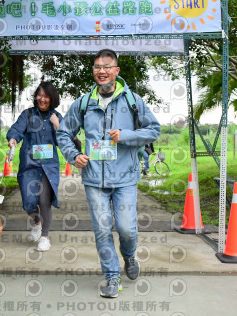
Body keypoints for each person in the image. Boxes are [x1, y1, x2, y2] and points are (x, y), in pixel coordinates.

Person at [57, 49, 161, 298]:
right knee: (103, 230)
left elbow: (153, 130)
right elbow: (63, 133)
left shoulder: (133, 101)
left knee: (126, 229)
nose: (101, 71)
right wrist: (73, 155)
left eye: (106, 66)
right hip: (94, 178)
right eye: (97, 67)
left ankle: (129, 255)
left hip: (125, 178)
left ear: (116, 70)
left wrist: (126, 136)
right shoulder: (84, 103)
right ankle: (112, 277)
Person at [6, 81, 62, 252]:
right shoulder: (28, 114)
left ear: (52, 98)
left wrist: (57, 125)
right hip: (29, 165)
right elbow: (16, 130)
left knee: (44, 200)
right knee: (28, 202)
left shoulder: (56, 116)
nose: (42, 99)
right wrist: (13, 139)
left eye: (46, 96)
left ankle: (45, 237)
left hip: (48, 167)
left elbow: (65, 140)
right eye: (39, 95)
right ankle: (37, 223)